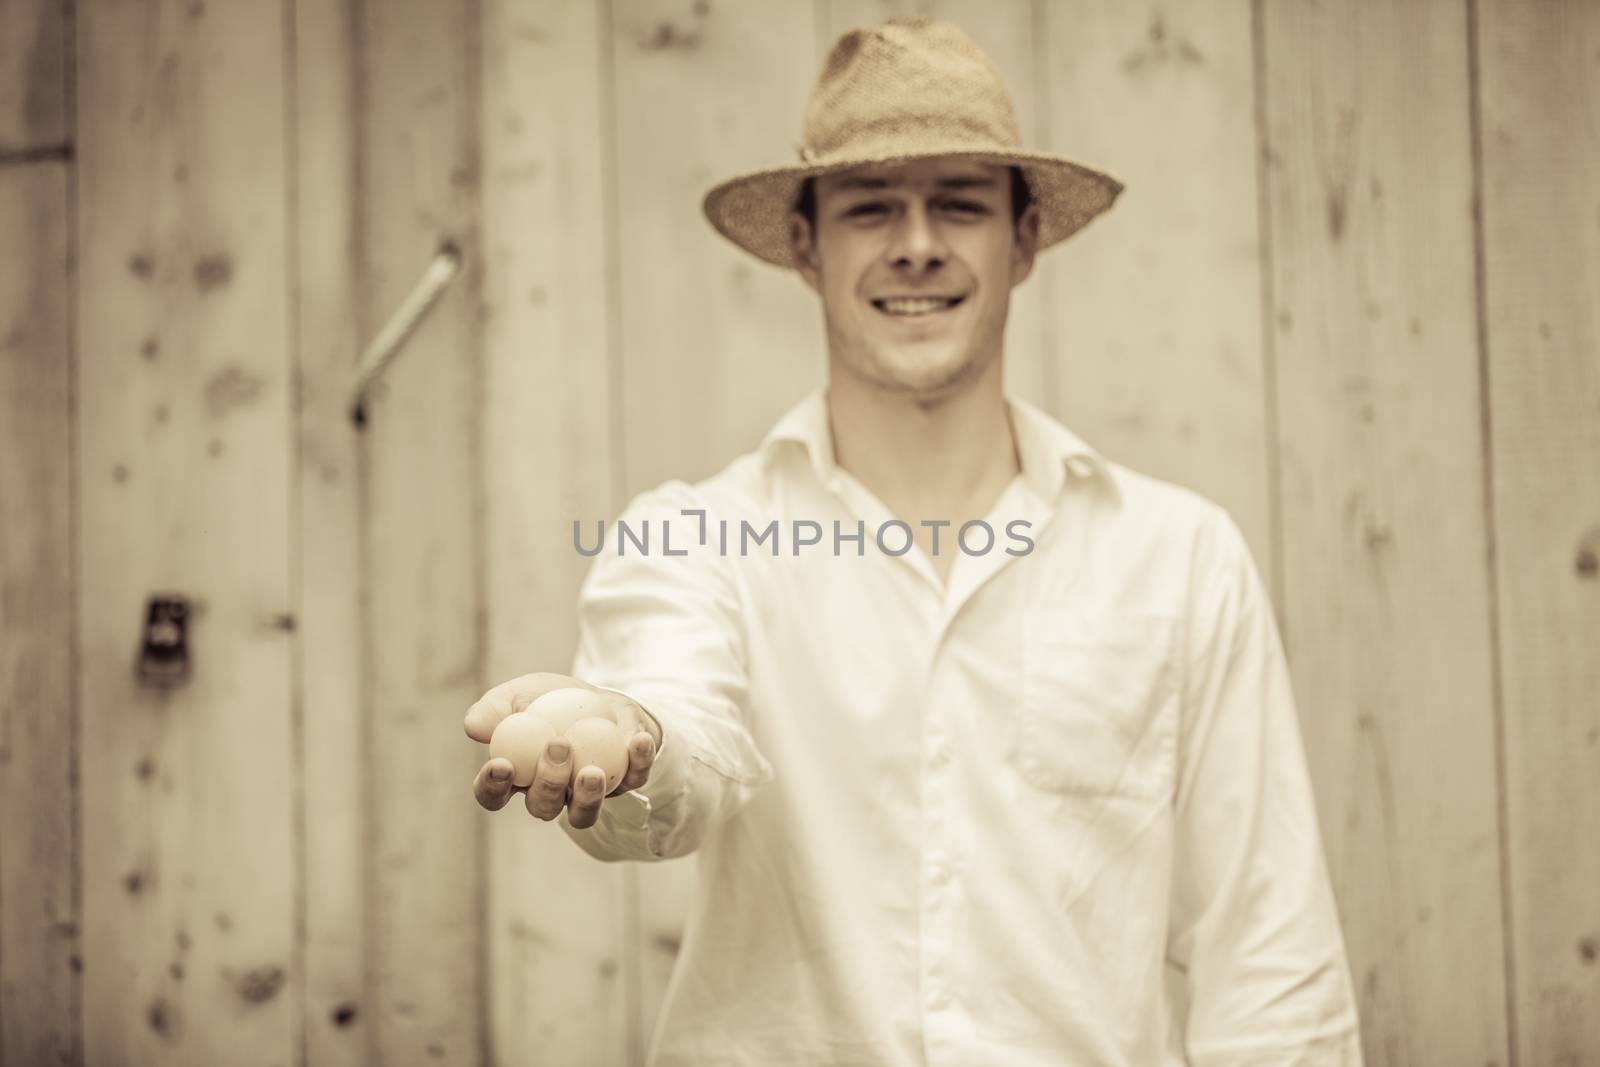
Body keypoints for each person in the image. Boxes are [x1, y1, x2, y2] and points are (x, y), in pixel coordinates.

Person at [462, 16, 1363, 1067]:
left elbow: (1268, 953)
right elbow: (675, 749)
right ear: (806, 245)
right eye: (871, 206)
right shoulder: (693, 536)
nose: (917, 242)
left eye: (961, 204)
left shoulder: (1179, 557)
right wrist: (623, 734)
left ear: (1022, 241)